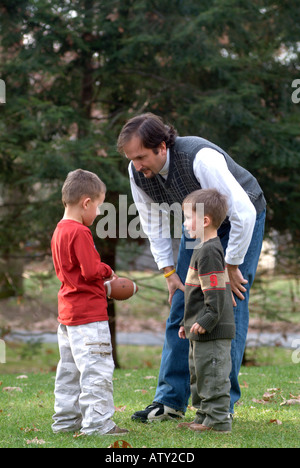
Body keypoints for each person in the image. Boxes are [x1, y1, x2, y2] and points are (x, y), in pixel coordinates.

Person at [117, 113, 266, 422]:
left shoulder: (201, 159)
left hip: (242, 220)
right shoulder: (136, 171)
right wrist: (169, 273)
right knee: (182, 304)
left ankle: (219, 405)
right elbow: (153, 221)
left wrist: (232, 264)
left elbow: (244, 213)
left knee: (226, 306)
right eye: (132, 158)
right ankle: (170, 402)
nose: (137, 165)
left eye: (141, 157)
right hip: (197, 223)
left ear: (161, 146)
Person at [51, 169, 128, 436]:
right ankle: (98, 424)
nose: (97, 214)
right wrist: (108, 271)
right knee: (96, 369)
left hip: (68, 315)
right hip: (89, 317)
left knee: (69, 373)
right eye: (98, 207)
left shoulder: (59, 230)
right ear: (86, 203)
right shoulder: (80, 232)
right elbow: (90, 270)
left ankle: (65, 421)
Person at [178, 189, 235, 433]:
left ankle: (219, 420)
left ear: (204, 221)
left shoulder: (210, 250)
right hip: (199, 327)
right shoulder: (203, 248)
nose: (184, 223)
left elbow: (215, 293)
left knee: (213, 373)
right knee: (200, 373)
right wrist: (187, 322)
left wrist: (208, 318)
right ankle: (204, 416)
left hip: (212, 328)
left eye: (188, 218)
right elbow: (196, 294)